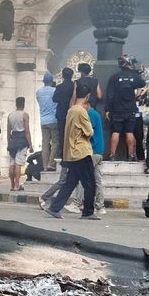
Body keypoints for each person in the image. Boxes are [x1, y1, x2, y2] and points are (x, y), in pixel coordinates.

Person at [45, 87, 98, 220]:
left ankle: (55, 207)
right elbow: (89, 132)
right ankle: (88, 211)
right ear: (87, 96)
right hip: (81, 151)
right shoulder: (81, 112)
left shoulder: (71, 110)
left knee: (71, 182)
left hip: (72, 151)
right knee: (90, 183)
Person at [105, 55, 146, 160]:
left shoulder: (114, 78)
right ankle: (131, 155)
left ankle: (112, 155)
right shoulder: (134, 77)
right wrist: (141, 73)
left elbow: (109, 95)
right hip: (130, 109)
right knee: (129, 132)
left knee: (115, 132)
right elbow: (142, 83)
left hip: (116, 109)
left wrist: (107, 109)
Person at [70, 100, 106, 215]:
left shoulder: (90, 115)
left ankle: (77, 203)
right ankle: (100, 206)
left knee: (82, 177)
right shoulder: (96, 114)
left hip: (92, 151)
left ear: (87, 104)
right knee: (97, 179)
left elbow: (88, 132)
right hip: (99, 151)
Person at [5, 97, 33, 192]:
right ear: (23, 104)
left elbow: (8, 131)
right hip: (22, 140)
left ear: (16, 104)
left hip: (13, 139)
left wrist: (9, 142)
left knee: (12, 163)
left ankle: (12, 185)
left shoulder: (10, 115)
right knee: (18, 164)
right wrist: (30, 144)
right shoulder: (25, 115)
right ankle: (17, 185)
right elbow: (27, 131)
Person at [35, 72, 58, 171]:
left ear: (43, 81)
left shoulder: (38, 92)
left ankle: (44, 166)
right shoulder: (55, 91)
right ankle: (51, 163)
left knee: (45, 144)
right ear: (52, 81)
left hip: (43, 121)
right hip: (53, 119)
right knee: (55, 143)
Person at [52, 68, 76, 153]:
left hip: (61, 113)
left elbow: (54, 99)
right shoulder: (74, 87)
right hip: (72, 113)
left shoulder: (59, 87)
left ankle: (62, 151)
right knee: (72, 133)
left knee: (61, 133)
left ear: (62, 75)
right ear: (72, 76)